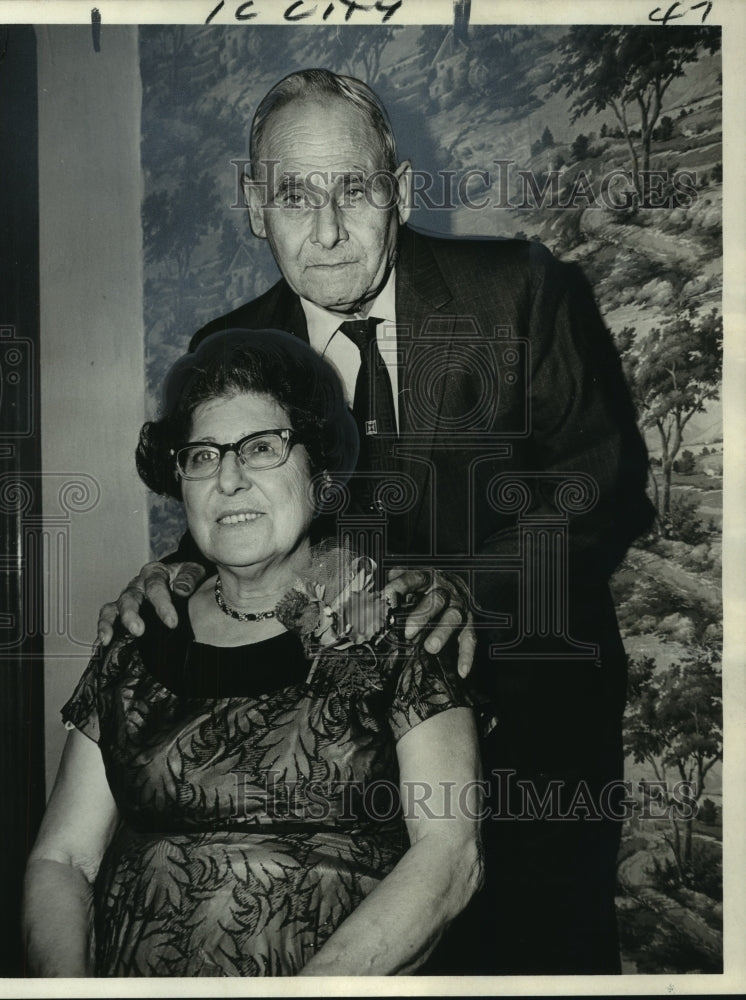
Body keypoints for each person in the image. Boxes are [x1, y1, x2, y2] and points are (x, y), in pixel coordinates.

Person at [98, 69, 655, 974]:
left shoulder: (520, 292)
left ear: (396, 189)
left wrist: (463, 594)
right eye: (293, 194)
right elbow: (249, 511)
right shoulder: (228, 349)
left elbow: (598, 485)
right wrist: (186, 570)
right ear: (253, 206)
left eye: (352, 187)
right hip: (350, 777)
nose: (325, 229)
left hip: (534, 735)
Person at [23, 328, 484, 977]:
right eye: (202, 456)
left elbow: (449, 856)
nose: (229, 479)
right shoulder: (137, 633)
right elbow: (62, 859)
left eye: (261, 448)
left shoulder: (396, 625)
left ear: (319, 471)